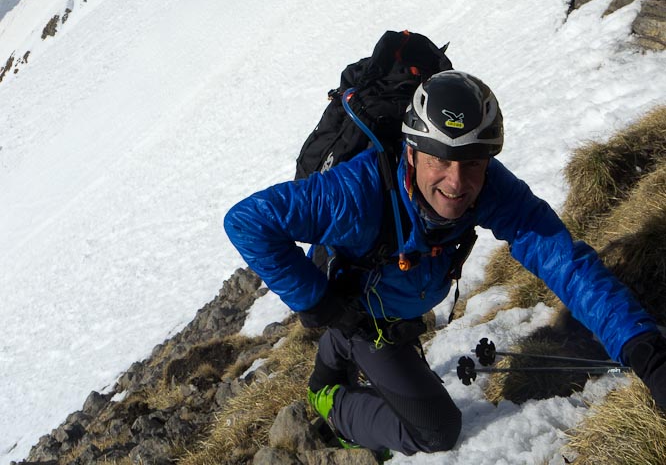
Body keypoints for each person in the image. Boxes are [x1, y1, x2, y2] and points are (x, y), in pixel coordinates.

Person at [224, 70, 666, 458]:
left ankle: (340, 348)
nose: (456, 183)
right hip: (362, 309)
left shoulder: (491, 187)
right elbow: (247, 221)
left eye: (472, 163)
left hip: (400, 297)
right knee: (435, 431)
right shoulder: (354, 194)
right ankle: (332, 403)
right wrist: (322, 303)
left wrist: (643, 347)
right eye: (440, 159)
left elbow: (563, 261)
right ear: (412, 152)